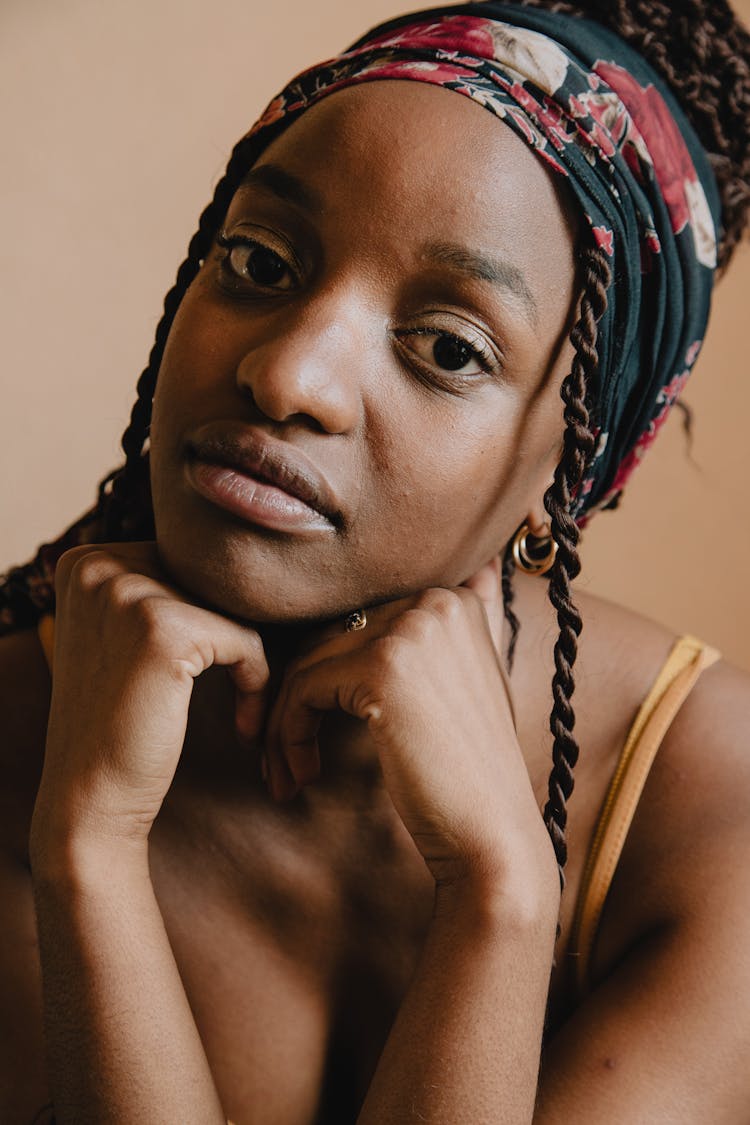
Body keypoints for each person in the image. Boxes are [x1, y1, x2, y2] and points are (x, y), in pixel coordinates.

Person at [1, 0, 749, 1120]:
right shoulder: (15, 729)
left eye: (450, 348)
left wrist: (498, 894)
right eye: (257, 261)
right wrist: (92, 854)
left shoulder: (705, 804)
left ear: (577, 460)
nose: (290, 375)